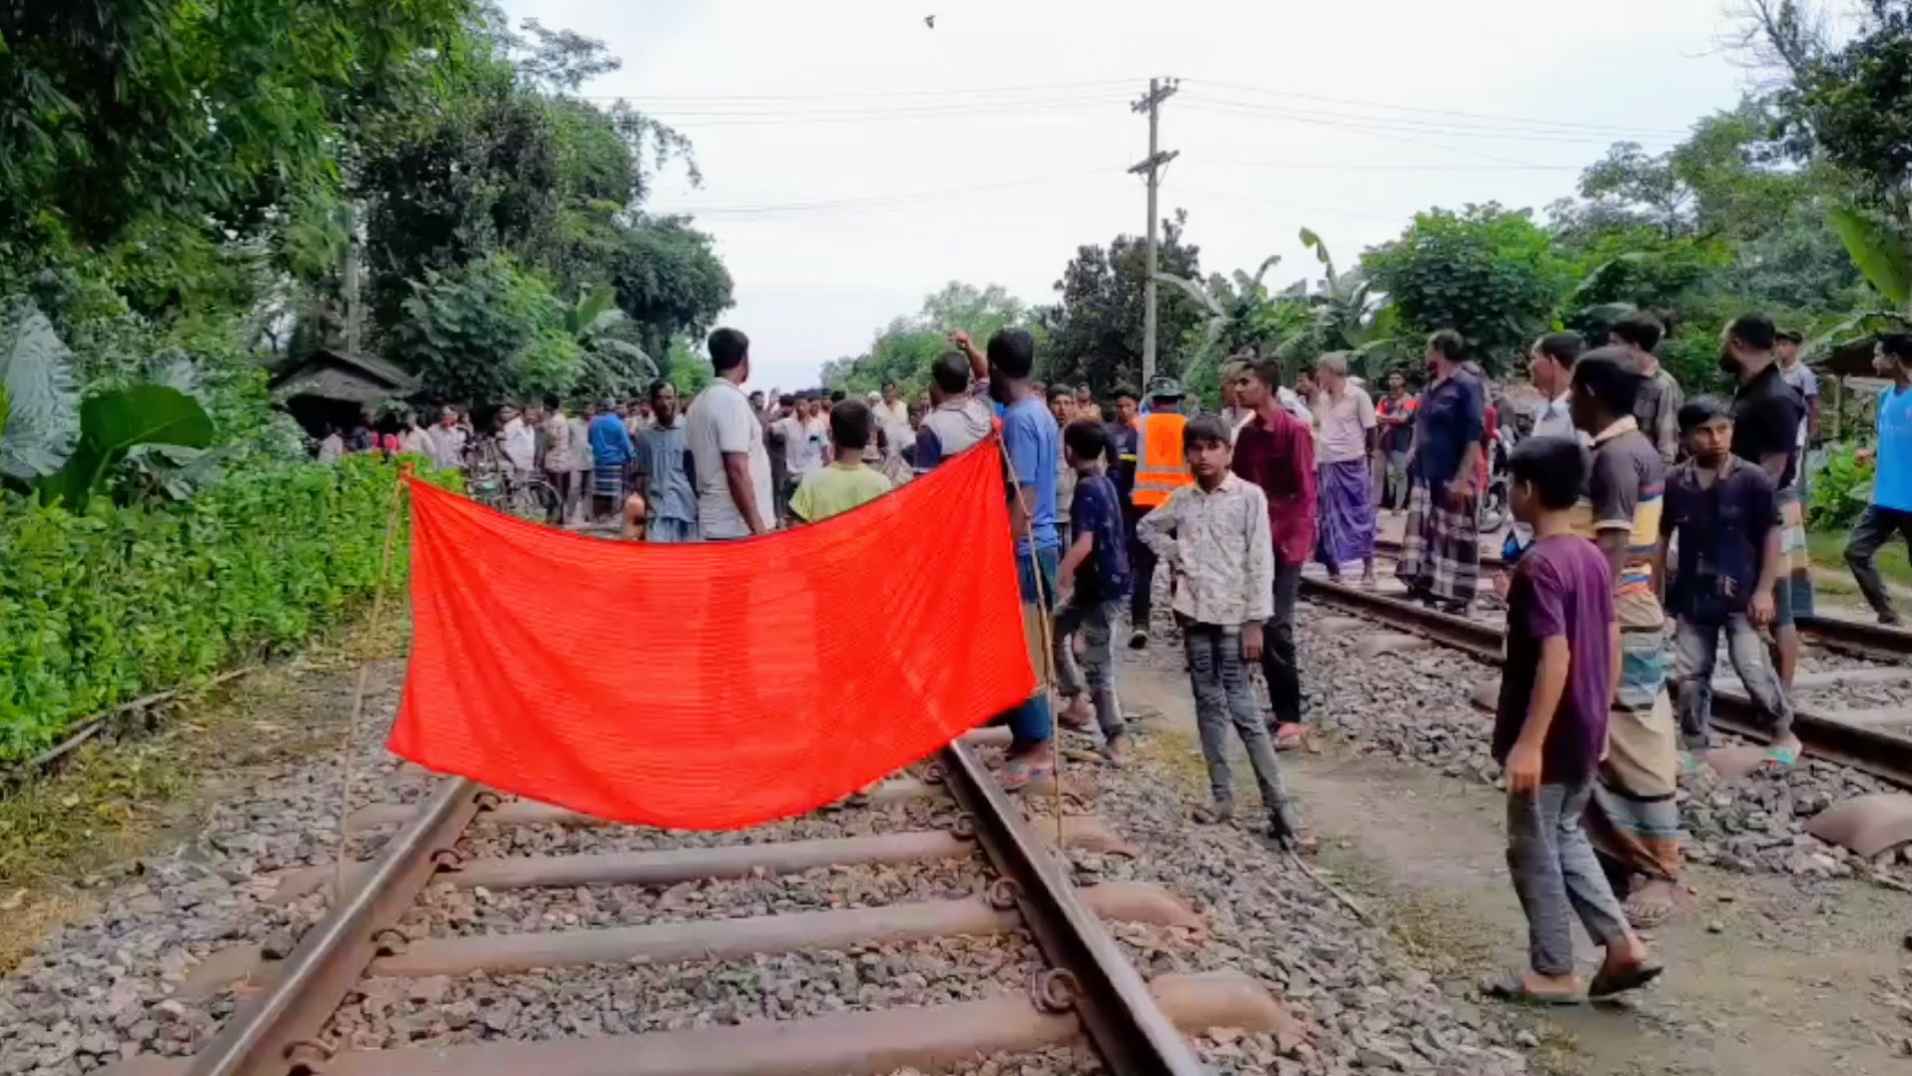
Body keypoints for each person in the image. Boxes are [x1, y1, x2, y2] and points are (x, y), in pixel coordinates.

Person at [1490, 435, 1661, 1005]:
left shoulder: (1539, 565)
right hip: (1585, 725)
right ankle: (1622, 945)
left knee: (1531, 845)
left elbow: (1554, 655)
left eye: (1512, 485)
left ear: (1528, 491)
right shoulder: (1589, 555)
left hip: (1551, 732)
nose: (1510, 494)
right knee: (1562, 833)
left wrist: (1529, 743)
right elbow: (1610, 636)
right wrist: (1602, 717)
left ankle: (1553, 970)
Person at [1138, 416, 1308, 848]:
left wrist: (1256, 622)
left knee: (1246, 712)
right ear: (1187, 455)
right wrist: (1177, 556)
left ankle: (1280, 807)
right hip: (1196, 617)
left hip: (1235, 620)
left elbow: (1260, 563)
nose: (1204, 456)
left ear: (1229, 452)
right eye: (1195, 448)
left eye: (1213, 446)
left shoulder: (1249, 498)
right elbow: (1146, 527)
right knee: (1207, 707)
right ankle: (1221, 798)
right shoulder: (1184, 499)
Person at [1565, 347, 1689, 926]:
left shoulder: (1615, 457)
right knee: (1612, 730)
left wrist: (1592, 616)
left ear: (1589, 391)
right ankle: (1620, 856)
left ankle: (1656, 866)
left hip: (1618, 608)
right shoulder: (1633, 449)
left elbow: (1612, 547)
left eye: (1572, 390)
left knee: (1634, 737)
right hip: (1633, 604)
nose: (1567, 400)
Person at [1659, 396, 1793, 754]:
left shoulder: (1752, 479)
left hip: (1741, 591)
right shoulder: (1675, 481)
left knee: (1752, 667)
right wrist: (1655, 589)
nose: (1716, 438)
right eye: (1704, 432)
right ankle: (1695, 743)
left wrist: (1765, 590)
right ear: (1686, 437)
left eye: (1723, 429)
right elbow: (1661, 536)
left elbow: (1770, 532)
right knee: (1690, 674)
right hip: (1692, 593)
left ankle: (1782, 730)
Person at [984, 328, 1062, 789]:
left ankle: (1037, 744)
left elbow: (1025, 493)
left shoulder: (1018, 419)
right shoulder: (1039, 409)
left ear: (995, 366)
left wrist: (1001, 551)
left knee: (1025, 648)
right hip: (1040, 543)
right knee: (1023, 643)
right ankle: (1026, 734)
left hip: (1028, 547)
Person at [1232, 359, 1318, 750]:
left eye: (1245, 382)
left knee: (1278, 624)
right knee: (1256, 619)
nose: (1237, 389)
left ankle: (1290, 718)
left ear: (1266, 386)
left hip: (1285, 537)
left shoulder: (1295, 431)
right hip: (1256, 537)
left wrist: (1293, 539)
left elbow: (1306, 492)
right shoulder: (1248, 435)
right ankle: (1270, 707)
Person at [1721, 313, 1808, 693]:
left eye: (1724, 340)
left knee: (1779, 606)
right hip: (1754, 503)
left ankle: (1782, 696)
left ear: (1738, 343)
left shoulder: (1776, 397)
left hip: (1769, 507)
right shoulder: (1754, 389)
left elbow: (1773, 469)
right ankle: (1770, 691)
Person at [1054, 420, 1132, 762]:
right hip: (1098, 582)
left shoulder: (1087, 489)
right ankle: (1075, 698)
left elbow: (1084, 542)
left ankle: (1115, 735)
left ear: (1069, 450)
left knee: (1098, 662)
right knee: (1055, 629)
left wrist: (1064, 571)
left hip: (1101, 587)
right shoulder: (1103, 480)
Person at [1397, 330, 1486, 613]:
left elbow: (1474, 435)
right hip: (1426, 469)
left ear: (1440, 350)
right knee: (1428, 533)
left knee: (1454, 532)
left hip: (1451, 470)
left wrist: (1462, 479)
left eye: (1429, 347)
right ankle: (1426, 585)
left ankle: (1458, 594)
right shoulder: (1432, 385)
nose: (1425, 352)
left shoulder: (1467, 385)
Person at [1846, 333, 1912, 625]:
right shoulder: (1884, 396)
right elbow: (1891, 435)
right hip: (1884, 497)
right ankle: (1887, 612)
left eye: (1878, 355)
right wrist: (1871, 451)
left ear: (1894, 359)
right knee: (1856, 552)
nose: (1874, 361)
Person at [686, 327, 774, 540]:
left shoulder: (699, 402)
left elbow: (687, 461)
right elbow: (736, 470)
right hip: (736, 528)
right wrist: (758, 529)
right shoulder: (730, 401)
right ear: (744, 360)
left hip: (717, 522)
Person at [1126, 377, 1193, 649]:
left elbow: (1127, 464)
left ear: (1153, 400)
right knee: (1183, 565)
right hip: (1183, 504)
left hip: (1145, 503)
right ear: (1178, 400)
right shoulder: (1189, 426)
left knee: (1143, 569)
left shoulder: (1137, 425)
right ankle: (1185, 624)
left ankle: (1140, 624)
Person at [1310, 352, 1378, 586]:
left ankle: (1368, 568)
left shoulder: (1359, 396)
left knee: (1360, 515)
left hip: (1352, 461)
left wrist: (1366, 455)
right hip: (1326, 463)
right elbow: (1317, 426)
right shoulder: (1321, 398)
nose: (1318, 376)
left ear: (1330, 372)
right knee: (1328, 518)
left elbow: (1371, 430)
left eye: (1320, 371)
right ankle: (1333, 568)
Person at [1775, 327, 1820, 623]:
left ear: (1796, 347)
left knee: (1791, 487)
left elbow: (1813, 407)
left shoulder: (1803, 374)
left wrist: (1812, 432)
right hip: (1780, 438)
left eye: (1786, 344)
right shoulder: (1776, 374)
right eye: (1777, 343)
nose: (1781, 348)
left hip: (1797, 438)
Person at [790, 399, 893, 524]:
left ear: (831, 435)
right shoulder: (881, 484)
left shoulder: (811, 482)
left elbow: (795, 535)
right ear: (869, 437)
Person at [1610, 313, 1681, 467]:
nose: (1609, 349)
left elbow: (1666, 443)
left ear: (1633, 347)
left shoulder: (1662, 385)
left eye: (1615, 343)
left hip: (1642, 471)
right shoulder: (1612, 376)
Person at [631, 380, 697, 543]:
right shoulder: (644, 435)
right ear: (652, 402)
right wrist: (642, 513)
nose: (665, 403)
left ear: (676, 399)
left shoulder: (690, 430)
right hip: (656, 511)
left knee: (684, 562)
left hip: (686, 510)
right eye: (659, 398)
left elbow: (698, 472)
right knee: (659, 562)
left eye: (669, 397)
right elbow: (640, 476)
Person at [914, 350, 994, 472]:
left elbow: (924, 485)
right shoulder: (985, 407)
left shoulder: (930, 428)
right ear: (967, 381)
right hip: (990, 489)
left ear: (935, 383)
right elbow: (983, 376)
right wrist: (968, 346)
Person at [1375, 371, 1417, 510]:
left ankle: (1398, 505)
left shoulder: (1409, 399)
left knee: (1400, 473)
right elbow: (1376, 416)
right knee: (1378, 473)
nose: (1393, 380)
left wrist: (1385, 418)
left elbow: (1403, 418)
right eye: (1391, 378)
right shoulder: (1383, 399)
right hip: (1382, 440)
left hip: (1400, 441)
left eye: (1397, 377)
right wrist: (1393, 417)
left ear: (1403, 381)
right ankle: (1376, 503)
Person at [588, 398, 635, 520]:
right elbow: (626, 444)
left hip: (599, 462)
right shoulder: (618, 424)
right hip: (614, 463)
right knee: (613, 491)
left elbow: (590, 440)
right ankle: (610, 516)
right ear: (613, 408)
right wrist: (632, 457)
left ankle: (599, 516)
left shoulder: (594, 422)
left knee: (600, 490)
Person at [1530, 332, 1583, 440]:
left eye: (1534, 358)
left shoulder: (1581, 414)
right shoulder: (1546, 408)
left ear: (1553, 361)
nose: (1530, 366)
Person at [537, 395, 578, 525]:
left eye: (543, 405)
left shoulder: (553, 421)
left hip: (555, 462)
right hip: (564, 460)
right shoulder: (563, 418)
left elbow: (551, 442)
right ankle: (559, 519)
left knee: (554, 492)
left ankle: (555, 519)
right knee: (561, 492)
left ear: (548, 406)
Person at [1047, 385, 1078, 533]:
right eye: (1057, 403)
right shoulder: (1044, 432)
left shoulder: (1080, 433)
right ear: (1048, 405)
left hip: (1072, 505)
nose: (1062, 408)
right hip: (1048, 507)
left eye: (1067, 403)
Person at [425, 406, 466, 471]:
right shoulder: (432, 431)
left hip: (451, 470)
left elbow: (456, 453)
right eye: (444, 414)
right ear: (440, 416)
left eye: (449, 415)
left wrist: (461, 464)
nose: (446, 417)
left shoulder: (454, 432)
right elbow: (426, 452)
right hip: (436, 470)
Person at [500, 404, 536, 475]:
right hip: (515, 468)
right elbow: (504, 448)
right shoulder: (512, 426)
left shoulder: (531, 427)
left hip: (528, 467)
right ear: (522, 414)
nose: (532, 417)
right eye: (529, 414)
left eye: (534, 414)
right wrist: (514, 464)